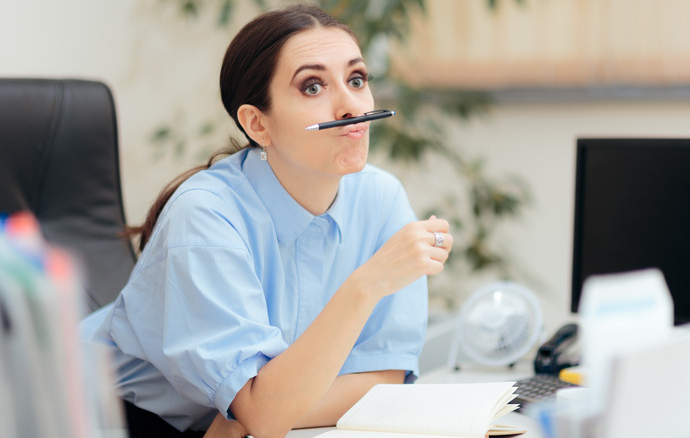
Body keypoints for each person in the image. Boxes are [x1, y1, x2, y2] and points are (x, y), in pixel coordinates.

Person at [81, 4, 453, 437]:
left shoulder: (381, 196)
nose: (352, 106)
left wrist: (257, 410)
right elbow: (263, 413)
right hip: (108, 416)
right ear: (257, 123)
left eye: (356, 79)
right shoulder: (204, 215)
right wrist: (368, 284)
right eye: (313, 86)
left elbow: (385, 377)